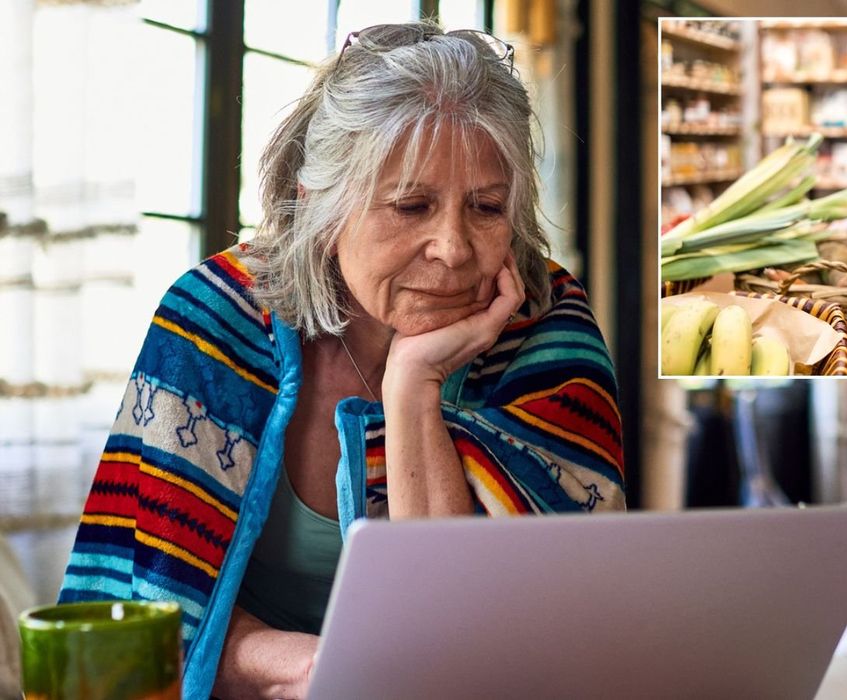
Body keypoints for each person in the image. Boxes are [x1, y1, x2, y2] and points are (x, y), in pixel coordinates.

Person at [57, 22, 625, 700]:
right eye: (411, 205)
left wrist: (413, 385)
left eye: (486, 207)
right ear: (319, 206)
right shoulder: (214, 318)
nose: (453, 247)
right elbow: (146, 597)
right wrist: (303, 664)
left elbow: (490, 633)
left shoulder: (544, 326)